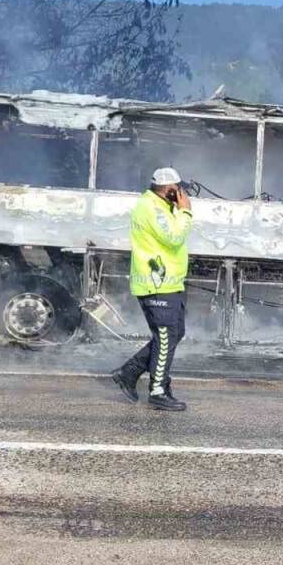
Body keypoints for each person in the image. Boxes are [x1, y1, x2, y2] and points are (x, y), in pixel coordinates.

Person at [111, 167, 194, 411]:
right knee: (166, 336)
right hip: (156, 282)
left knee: (174, 333)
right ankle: (158, 390)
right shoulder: (151, 208)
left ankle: (129, 373)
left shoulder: (161, 207)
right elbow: (175, 237)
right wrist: (185, 212)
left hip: (168, 282)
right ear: (169, 190)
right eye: (179, 188)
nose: (182, 193)